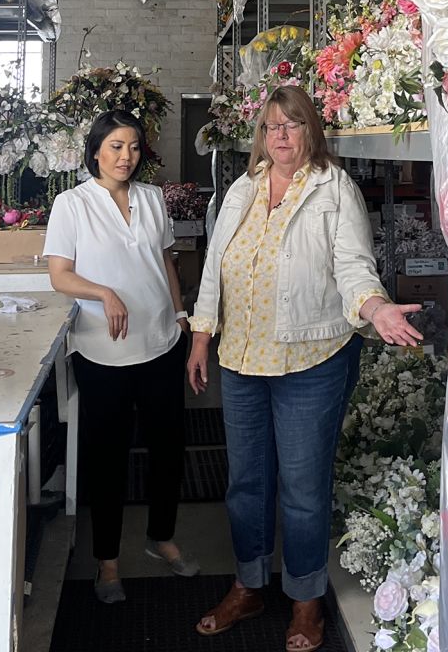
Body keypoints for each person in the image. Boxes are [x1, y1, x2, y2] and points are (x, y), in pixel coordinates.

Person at [187, 86, 423, 651]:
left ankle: (305, 600)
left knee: (302, 488)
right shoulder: (242, 188)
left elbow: (353, 266)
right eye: (271, 127)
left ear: (310, 131)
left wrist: (375, 306)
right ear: (261, 136)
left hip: (310, 358)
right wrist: (201, 337)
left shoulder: (332, 188)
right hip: (241, 358)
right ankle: (248, 585)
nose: (281, 137)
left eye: (292, 126)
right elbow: (215, 270)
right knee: (246, 484)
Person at [44, 109, 199, 604]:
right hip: (102, 352)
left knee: (168, 451)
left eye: (132, 147)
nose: (125, 157)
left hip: (160, 344)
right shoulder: (72, 204)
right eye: (115, 147)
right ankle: (107, 562)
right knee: (106, 459)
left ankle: (162, 538)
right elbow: (60, 276)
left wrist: (179, 315)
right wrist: (104, 292)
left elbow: (165, 262)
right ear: (95, 151)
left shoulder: (153, 199)